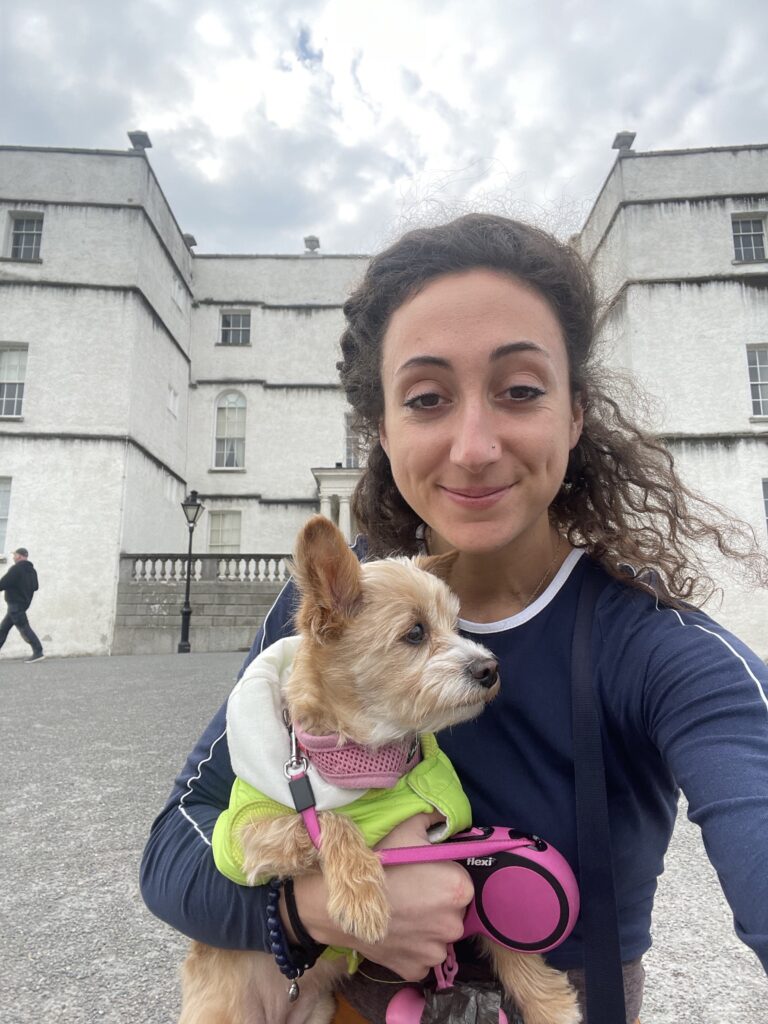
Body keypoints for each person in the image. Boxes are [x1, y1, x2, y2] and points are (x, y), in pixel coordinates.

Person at [140, 214, 768, 1024]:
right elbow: (174, 852)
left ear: (575, 413)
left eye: (519, 390)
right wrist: (308, 913)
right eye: (428, 398)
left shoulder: (657, 647)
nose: (474, 446)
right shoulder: (332, 619)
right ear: (384, 431)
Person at [0, 546, 44, 663]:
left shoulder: (16, 569)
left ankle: (38, 651)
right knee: (3, 629)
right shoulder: (32, 571)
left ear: (19, 556)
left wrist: (16, 589)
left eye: (14, 555)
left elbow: (3, 583)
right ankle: (38, 651)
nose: (13, 557)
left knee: (24, 628)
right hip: (23, 604)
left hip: (15, 604)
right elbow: (35, 587)